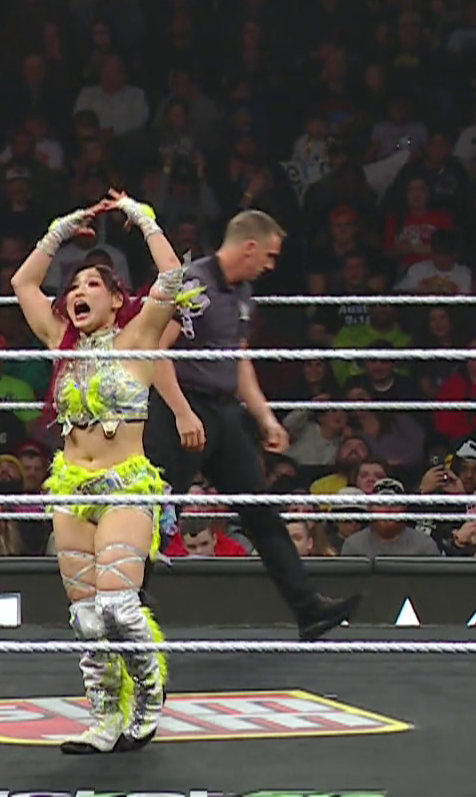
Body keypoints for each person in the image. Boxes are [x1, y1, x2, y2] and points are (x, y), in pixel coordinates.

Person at [10, 189, 194, 754]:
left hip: (125, 485)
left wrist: (141, 217)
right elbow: (23, 283)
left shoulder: (138, 338)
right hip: (70, 486)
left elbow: (173, 276)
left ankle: (148, 695)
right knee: (88, 618)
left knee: (117, 606)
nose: (78, 292)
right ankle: (104, 718)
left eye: (93, 284)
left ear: (117, 300)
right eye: (74, 286)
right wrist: (60, 230)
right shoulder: (60, 343)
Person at [145, 209, 362, 639]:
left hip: (223, 412)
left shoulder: (242, 293)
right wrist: (182, 412)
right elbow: (155, 349)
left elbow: (238, 359)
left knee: (259, 509)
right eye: (269, 255)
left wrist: (264, 417)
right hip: (178, 406)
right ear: (249, 247)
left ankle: (308, 609)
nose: (270, 265)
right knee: (158, 510)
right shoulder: (193, 283)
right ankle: (125, 602)